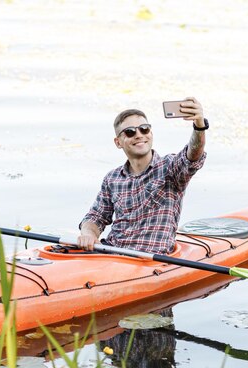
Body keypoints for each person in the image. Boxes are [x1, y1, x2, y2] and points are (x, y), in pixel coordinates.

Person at [77, 97, 207, 254]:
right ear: (118, 142)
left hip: (150, 261)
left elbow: (193, 155)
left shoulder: (171, 168)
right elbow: (95, 217)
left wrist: (199, 126)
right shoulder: (112, 179)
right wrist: (88, 235)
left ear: (150, 133)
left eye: (144, 129)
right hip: (111, 254)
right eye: (130, 132)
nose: (139, 135)